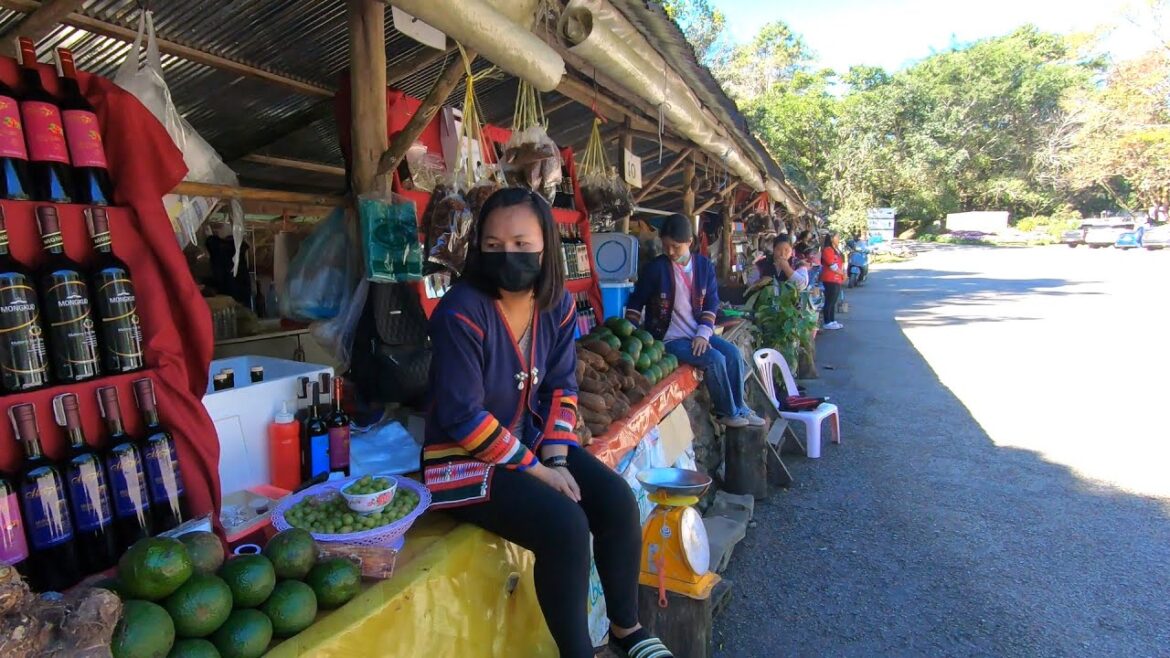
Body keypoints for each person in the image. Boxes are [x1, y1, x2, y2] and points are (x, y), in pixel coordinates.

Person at [423, 188, 673, 658]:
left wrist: (557, 455)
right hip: (461, 463)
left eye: (521, 244)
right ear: (479, 247)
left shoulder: (554, 305)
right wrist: (540, 471)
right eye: (493, 245)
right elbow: (462, 416)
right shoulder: (461, 311)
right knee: (566, 525)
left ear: (546, 247)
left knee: (616, 500)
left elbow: (562, 385)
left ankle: (626, 630)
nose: (507, 255)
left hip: (532, 446)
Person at [626, 213, 765, 429]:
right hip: (670, 338)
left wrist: (703, 333)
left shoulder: (704, 267)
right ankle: (726, 412)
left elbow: (711, 303)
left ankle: (740, 407)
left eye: (676, 246)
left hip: (695, 333)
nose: (670, 252)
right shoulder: (656, 269)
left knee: (733, 354)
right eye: (666, 246)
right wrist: (630, 334)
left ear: (689, 242)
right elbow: (636, 302)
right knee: (714, 359)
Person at [821, 232, 845, 330]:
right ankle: (827, 321)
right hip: (830, 279)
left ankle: (832, 320)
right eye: (837, 236)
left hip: (837, 278)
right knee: (829, 301)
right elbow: (832, 265)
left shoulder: (836, 250)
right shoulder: (827, 250)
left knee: (833, 301)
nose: (839, 238)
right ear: (831, 239)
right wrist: (842, 274)